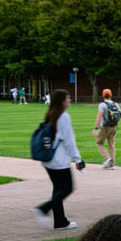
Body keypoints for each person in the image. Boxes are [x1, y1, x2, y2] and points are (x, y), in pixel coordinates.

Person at [33, 89, 85, 230]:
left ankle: (60, 222)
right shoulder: (64, 117)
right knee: (67, 188)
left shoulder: (51, 114)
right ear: (62, 101)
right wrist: (78, 159)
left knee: (58, 189)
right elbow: (69, 141)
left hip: (48, 160)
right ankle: (44, 209)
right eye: (67, 98)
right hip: (59, 161)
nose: (69, 100)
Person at [93, 88, 121, 169]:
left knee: (99, 143)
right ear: (110, 95)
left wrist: (95, 128)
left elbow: (99, 116)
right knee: (111, 145)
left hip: (105, 127)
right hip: (114, 127)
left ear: (103, 95)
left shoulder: (102, 105)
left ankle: (107, 159)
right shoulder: (116, 104)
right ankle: (111, 164)